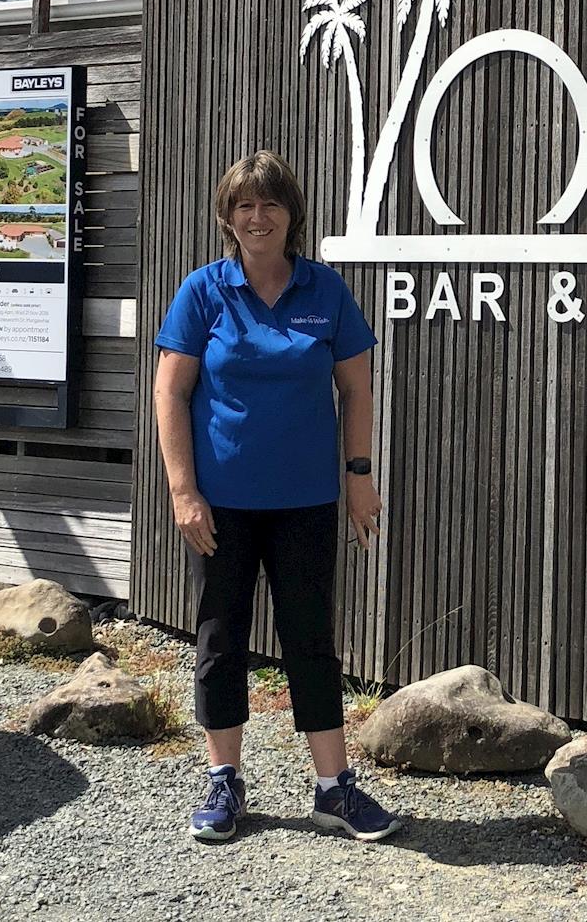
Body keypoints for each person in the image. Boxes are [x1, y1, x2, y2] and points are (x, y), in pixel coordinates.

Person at [153, 151, 403, 844]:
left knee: (310, 641)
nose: (257, 217)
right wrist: (183, 489)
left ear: (291, 215)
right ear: (227, 218)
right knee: (220, 639)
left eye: (270, 204)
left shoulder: (325, 291)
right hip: (220, 506)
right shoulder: (203, 291)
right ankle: (223, 781)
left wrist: (359, 477)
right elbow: (170, 392)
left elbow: (356, 389)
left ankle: (333, 788)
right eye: (244, 205)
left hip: (304, 501)